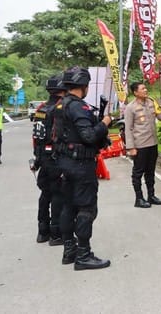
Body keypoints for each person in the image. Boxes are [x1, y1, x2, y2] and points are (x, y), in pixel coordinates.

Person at [54, 67, 111, 270]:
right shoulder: (79, 107)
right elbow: (88, 136)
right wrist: (104, 123)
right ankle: (83, 254)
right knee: (86, 208)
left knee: (69, 206)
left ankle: (69, 249)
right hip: (81, 165)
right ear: (84, 86)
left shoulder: (61, 105)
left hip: (65, 163)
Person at [30, 75, 67, 245]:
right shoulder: (60, 109)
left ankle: (42, 231)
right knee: (58, 194)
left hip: (42, 157)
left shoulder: (41, 109)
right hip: (56, 157)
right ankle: (56, 233)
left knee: (45, 194)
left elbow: (36, 137)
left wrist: (37, 158)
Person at [124, 82, 161, 208]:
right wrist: (131, 147)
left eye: (145, 88)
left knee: (150, 172)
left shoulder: (151, 102)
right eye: (143, 89)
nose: (146, 90)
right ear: (135, 92)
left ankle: (151, 196)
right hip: (140, 145)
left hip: (152, 143)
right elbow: (128, 129)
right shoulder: (130, 108)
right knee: (138, 173)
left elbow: (160, 117)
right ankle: (139, 198)